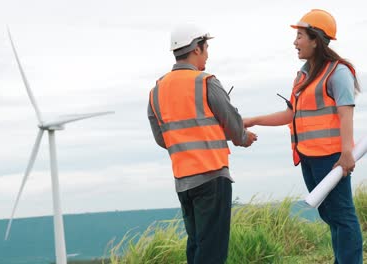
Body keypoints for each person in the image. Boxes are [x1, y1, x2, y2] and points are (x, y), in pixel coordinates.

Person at [244, 9, 362, 263]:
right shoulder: (304, 74)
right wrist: (253, 120)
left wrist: (346, 154)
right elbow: (291, 115)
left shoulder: (337, 72)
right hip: (308, 157)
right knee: (331, 216)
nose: (295, 42)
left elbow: (345, 114)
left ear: (315, 39)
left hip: (331, 158)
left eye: (299, 36)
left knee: (342, 216)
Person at [147, 24, 257, 264]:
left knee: (197, 245)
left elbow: (162, 138)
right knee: (212, 251)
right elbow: (231, 122)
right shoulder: (205, 82)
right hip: (212, 177)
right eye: (206, 48)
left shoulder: (156, 90)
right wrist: (243, 137)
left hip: (183, 183)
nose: (207, 54)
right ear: (196, 48)